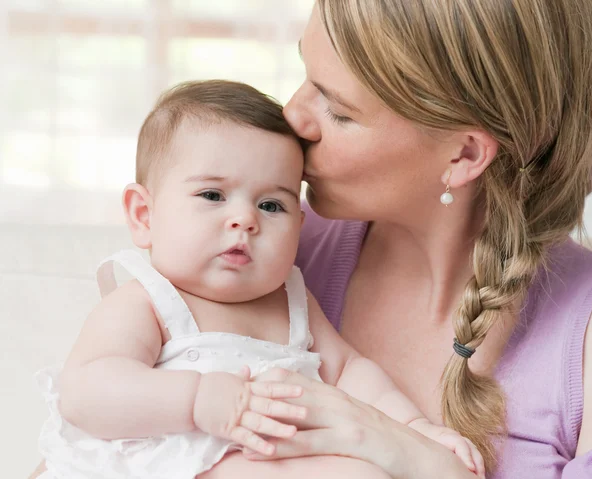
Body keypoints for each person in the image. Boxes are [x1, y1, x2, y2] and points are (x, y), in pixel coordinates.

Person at [30, 0, 592, 478]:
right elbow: (78, 438)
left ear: (464, 155)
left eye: (339, 110)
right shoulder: (248, 250)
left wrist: (411, 452)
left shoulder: (585, 334)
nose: (293, 117)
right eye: (304, 73)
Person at [34, 79, 484, 479]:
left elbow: (350, 370)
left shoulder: (291, 297)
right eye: (212, 195)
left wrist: (414, 428)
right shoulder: (149, 300)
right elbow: (85, 392)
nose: (245, 220)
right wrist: (197, 400)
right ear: (144, 215)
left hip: (269, 456)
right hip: (176, 455)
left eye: (272, 205)